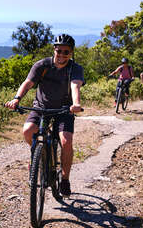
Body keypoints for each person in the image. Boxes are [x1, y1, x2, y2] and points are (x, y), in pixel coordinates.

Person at [5, 34, 85, 197]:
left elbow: (75, 86)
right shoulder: (42, 65)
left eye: (66, 52)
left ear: (71, 53)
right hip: (41, 108)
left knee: (66, 141)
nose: (62, 55)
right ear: (54, 50)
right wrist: (16, 98)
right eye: (59, 51)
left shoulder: (75, 68)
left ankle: (65, 179)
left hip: (64, 110)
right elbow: (28, 83)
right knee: (28, 131)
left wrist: (75, 104)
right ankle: (38, 157)